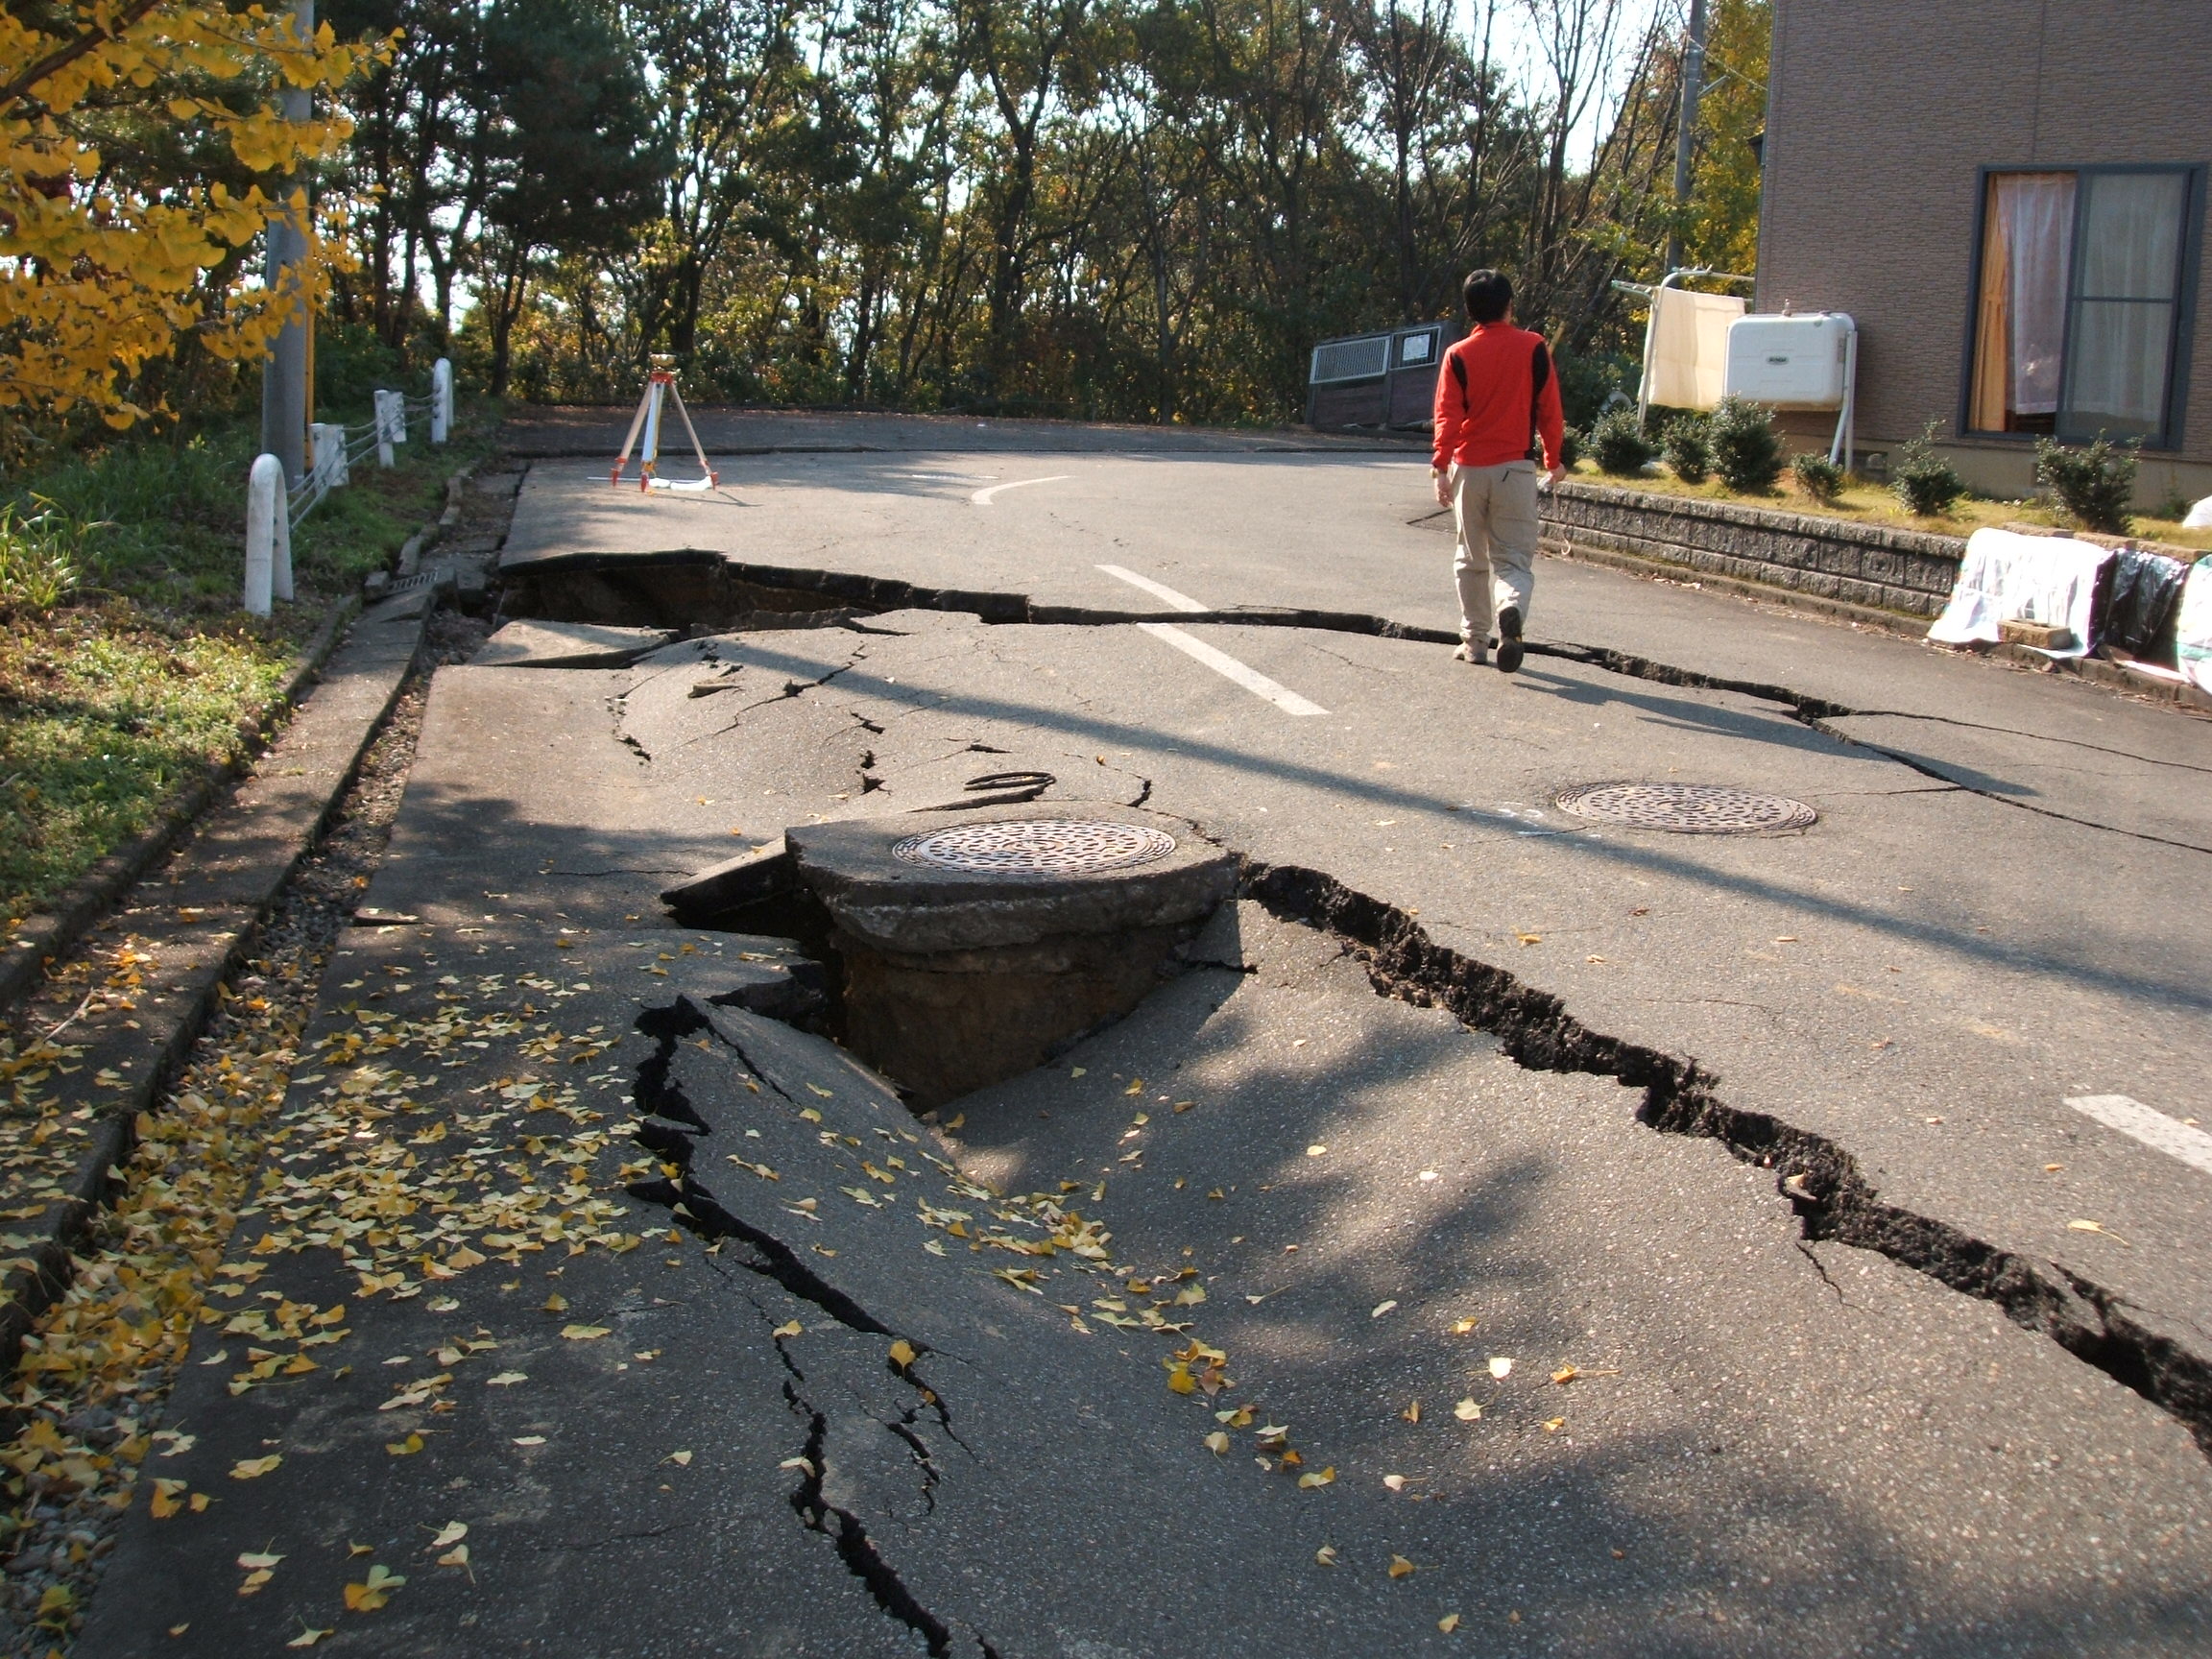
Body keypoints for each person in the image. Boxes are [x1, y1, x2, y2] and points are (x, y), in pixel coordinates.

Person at [1431, 270, 1566, 673]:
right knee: (1513, 561)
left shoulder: (1458, 354)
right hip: (1516, 468)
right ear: (1510, 306)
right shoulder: (1534, 347)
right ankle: (1510, 606)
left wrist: (1440, 466)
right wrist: (1554, 458)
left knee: (1470, 558)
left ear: (1470, 309)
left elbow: (1447, 416)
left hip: (1469, 469)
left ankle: (1474, 642)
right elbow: (1549, 410)